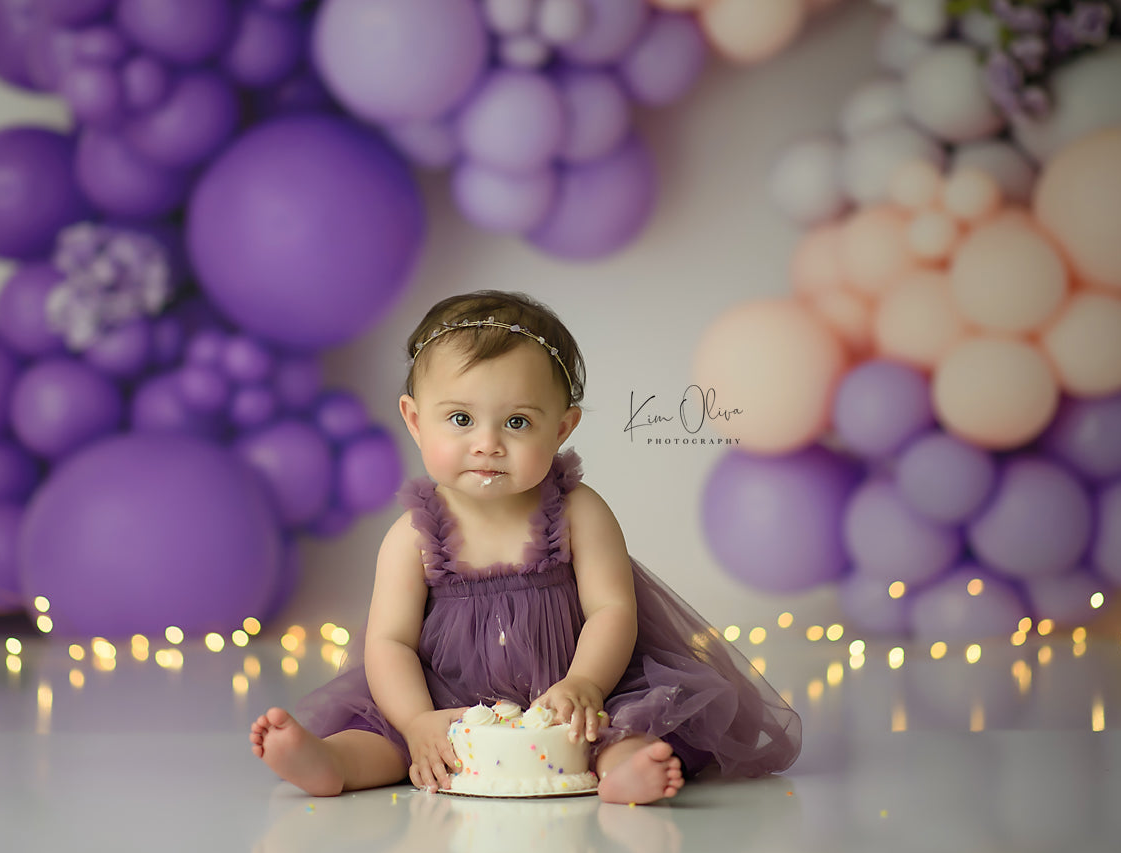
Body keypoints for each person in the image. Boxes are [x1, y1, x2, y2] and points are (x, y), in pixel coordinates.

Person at [250, 290, 800, 805]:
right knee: (391, 739)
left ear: (561, 429)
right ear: (416, 422)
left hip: (571, 691)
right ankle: (330, 763)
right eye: (461, 419)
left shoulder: (580, 512)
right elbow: (389, 642)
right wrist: (417, 719)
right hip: (448, 701)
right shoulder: (413, 536)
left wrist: (585, 682)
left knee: (613, 725)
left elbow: (612, 608)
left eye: (517, 422)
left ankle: (624, 770)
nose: (487, 443)